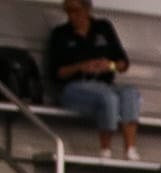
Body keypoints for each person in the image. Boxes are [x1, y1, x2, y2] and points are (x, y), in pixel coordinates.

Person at [48, 0, 137, 159]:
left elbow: (123, 63)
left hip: (104, 82)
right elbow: (57, 73)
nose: (72, 16)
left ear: (87, 10)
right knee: (108, 98)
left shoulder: (103, 27)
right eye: (68, 11)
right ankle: (106, 149)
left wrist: (108, 66)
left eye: (76, 11)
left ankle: (130, 148)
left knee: (130, 92)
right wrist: (80, 67)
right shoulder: (60, 34)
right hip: (74, 86)